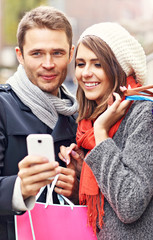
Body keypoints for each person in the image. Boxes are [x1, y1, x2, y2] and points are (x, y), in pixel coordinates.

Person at [59, 22, 153, 239]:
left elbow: (130, 204)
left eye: (97, 64)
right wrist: (80, 168)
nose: (86, 73)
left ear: (119, 68)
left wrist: (102, 133)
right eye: (80, 63)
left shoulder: (143, 114)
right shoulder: (89, 121)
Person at [0, 6, 79, 240]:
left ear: (71, 53)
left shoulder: (77, 114)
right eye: (36, 54)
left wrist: (77, 190)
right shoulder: (3, 106)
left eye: (57, 53)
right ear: (20, 55)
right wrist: (19, 187)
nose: (48, 63)